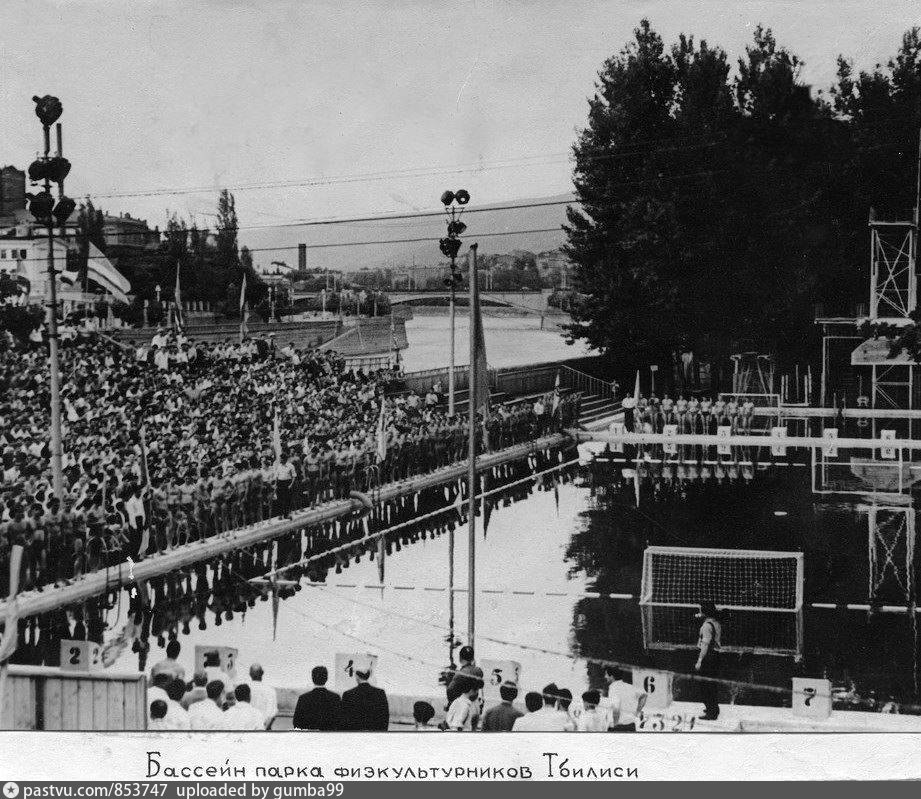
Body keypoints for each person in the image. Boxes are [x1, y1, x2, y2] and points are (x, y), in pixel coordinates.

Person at [695, 600, 723, 720]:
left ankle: (711, 712)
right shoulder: (716, 623)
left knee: (706, 685)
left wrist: (700, 660)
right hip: (715, 655)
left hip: (708, 657)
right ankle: (713, 708)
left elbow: (705, 644)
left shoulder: (706, 626)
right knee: (712, 684)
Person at [292, 666, 341, 731]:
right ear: (326, 678)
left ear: (312, 678)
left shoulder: (303, 698)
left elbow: (296, 722)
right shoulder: (335, 698)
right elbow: (339, 721)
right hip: (329, 735)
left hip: (309, 736)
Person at [245, 663, 278, 729]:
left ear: (250, 674)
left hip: (247, 728)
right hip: (264, 728)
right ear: (262, 673)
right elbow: (272, 714)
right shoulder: (270, 690)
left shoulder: (245, 689)